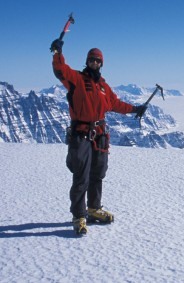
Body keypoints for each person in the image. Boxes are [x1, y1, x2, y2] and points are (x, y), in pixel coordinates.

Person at [50, 39, 147, 235]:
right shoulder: (76, 79)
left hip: (100, 135)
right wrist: (57, 53)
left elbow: (116, 104)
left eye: (98, 61)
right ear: (87, 62)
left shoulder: (104, 87)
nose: (95, 63)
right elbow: (60, 70)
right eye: (92, 60)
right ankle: (79, 216)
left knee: (97, 173)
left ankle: (94, 209)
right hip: (81, 134)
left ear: (102, 63)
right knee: (81, 176)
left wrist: (135, 109)